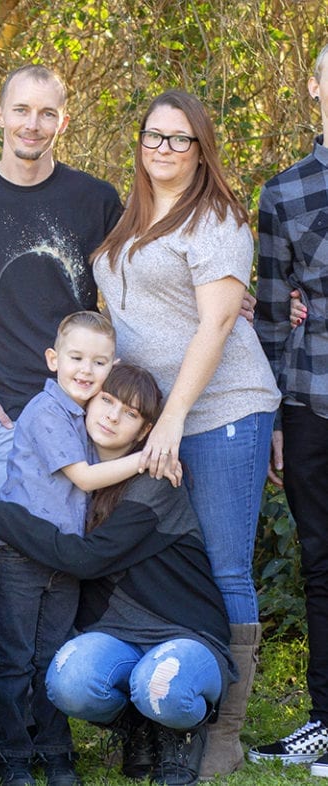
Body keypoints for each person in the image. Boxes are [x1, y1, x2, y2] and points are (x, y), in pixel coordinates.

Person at [90, 89, 281, 778]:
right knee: (155, 562)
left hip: (221, 412)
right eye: (153, 136)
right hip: (154, 421)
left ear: (201, 150)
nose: (163, 149)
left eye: (179, 139)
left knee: (224, 564)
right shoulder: (132, 217)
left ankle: (223, 732)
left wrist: (170, 420)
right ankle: (160, 714)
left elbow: (219, 324)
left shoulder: (218, 219)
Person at [0, 363, 237, 786]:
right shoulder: (72, 476)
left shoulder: (155, 480)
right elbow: (26, 509)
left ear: (144, 432)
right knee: (69, 680)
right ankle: (137, 726)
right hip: (117, 637)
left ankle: (179, 734)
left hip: (185, 634)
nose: (113, 416)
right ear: (88, 401)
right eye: (106, 400)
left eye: (131, 413)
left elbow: (82, 558)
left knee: (161, 685)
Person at [0, 312, 178, 786]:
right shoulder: (47, 413)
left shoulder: (86, 418)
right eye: (76, 358)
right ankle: (12, 756)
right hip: (19, 556)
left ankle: (56, 754)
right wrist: (149, 458)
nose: (85, 370)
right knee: (14, 660)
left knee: (52, 658)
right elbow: (86, 480)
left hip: (64, 559)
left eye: (98, 362)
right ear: (53, 359)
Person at [0, 64, 123, 498]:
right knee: (8, 556)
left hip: (91, 420)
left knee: (91, 556)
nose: (32, 125)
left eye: (47, 113)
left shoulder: (96, 199)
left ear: (64, 121)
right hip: (9, 420)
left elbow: (134, 296)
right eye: (21, 110)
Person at [251, 42, 328, 776]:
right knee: (321, 565)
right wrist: (273, 420)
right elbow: (273, 315)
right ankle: (326, 719)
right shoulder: (286, 193)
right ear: (313, 88)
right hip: (311, 402)